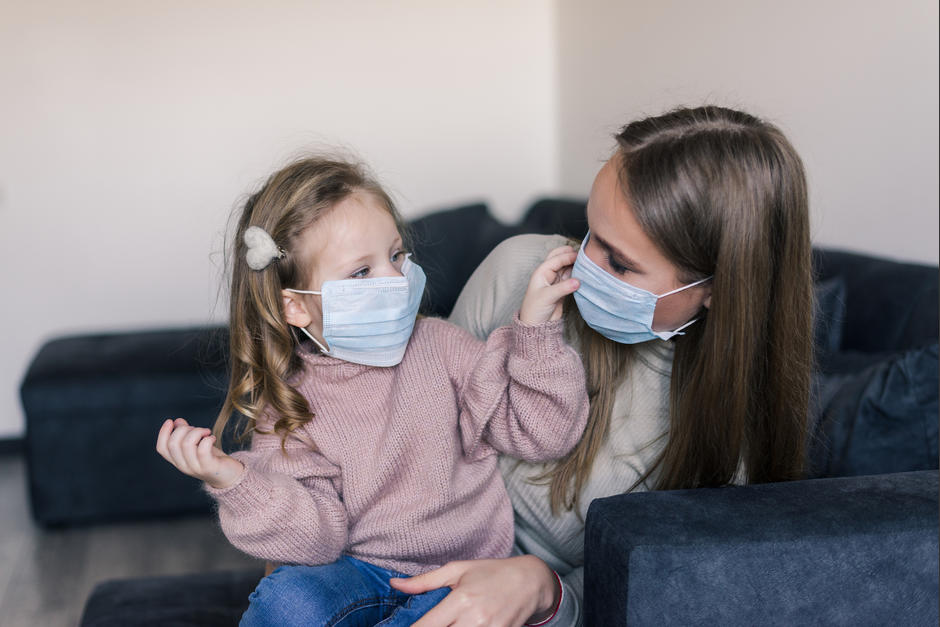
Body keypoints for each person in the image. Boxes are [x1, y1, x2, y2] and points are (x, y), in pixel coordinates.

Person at [390, 105, 814, 626]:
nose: (582, 269)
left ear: (719, 289)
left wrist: (546, 591)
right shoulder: (522, 266)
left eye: (619, 263)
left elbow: (662, 597)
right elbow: (411, 423)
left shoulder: (731, 436)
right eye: (589, 234)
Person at [154, 156, 590, 626]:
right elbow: (315, 541)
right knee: (286, 601)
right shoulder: (290, 404)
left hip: (461, 574)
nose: (395, 280)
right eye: (361, 272)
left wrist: (536, 334)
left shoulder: (442, 346)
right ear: (296, 307)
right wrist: (232, 480)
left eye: (397, 255)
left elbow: (543, 435)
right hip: (358, 572)